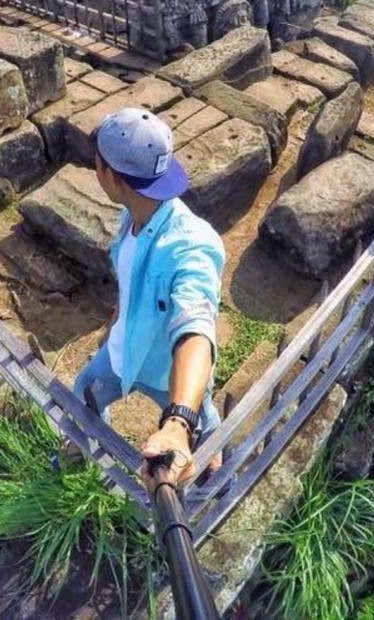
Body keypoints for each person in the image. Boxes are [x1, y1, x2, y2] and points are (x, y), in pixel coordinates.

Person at [68, 107, 225, 487]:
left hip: (164, 373)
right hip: (121, 356)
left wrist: (177, 421)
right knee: (84, 393)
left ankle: (215, 483)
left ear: (111, 177)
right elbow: (130, 285)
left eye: (97, 163)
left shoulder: (191, 246)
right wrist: (112, 326)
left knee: (204, 443)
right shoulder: (131, 218)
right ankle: (88, 463)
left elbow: (195, 329)